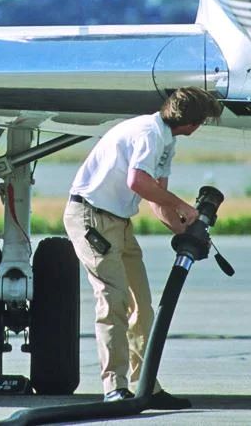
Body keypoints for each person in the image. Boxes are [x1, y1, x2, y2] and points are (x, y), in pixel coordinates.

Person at [63, 86, 223, 407]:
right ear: (193, 123)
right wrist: (183, 204)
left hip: (119, 221)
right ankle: (114, 386)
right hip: (92, 217)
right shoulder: (148, 134)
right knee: (114, 301)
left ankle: (144, 385)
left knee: (142, 306)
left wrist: (185, 228)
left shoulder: (166, 140)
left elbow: (155, 197)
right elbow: (137, 182)